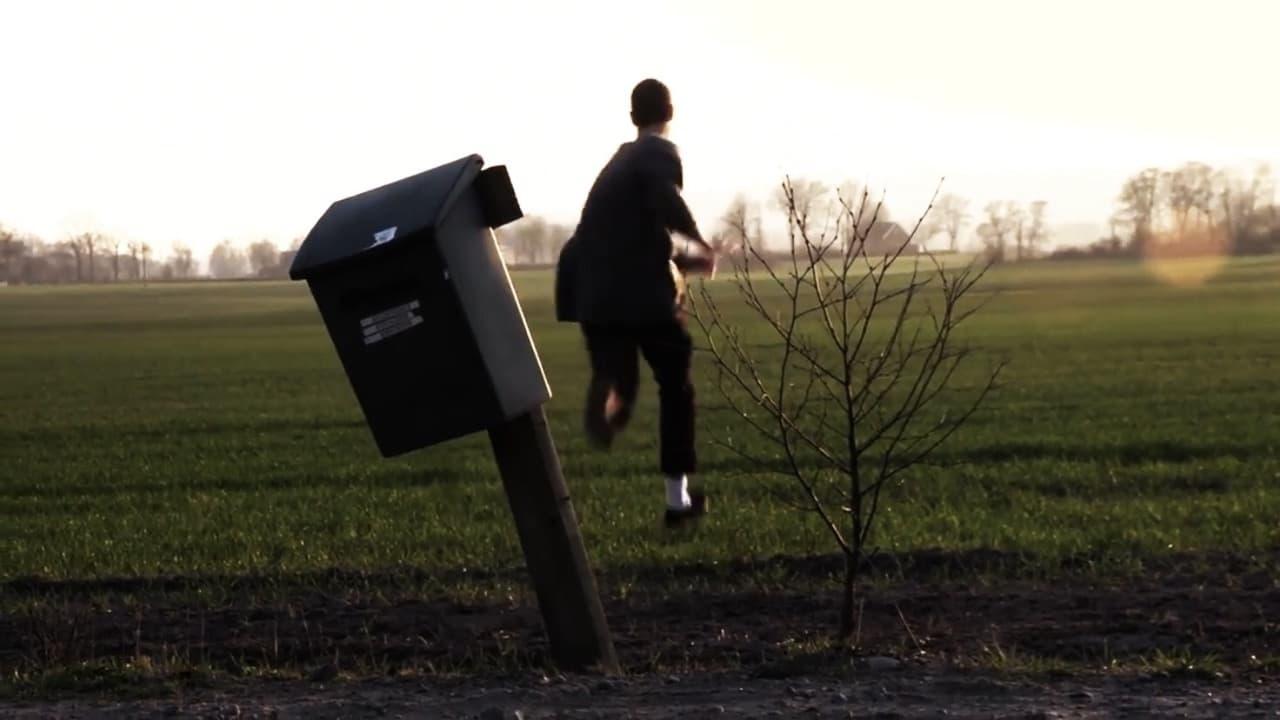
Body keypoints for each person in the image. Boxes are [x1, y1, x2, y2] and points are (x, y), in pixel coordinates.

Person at [555, 78, 716, 528]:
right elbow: (666, 203)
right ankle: (677, 502)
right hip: (636, 294)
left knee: (623, 380)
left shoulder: (619, 164)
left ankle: (611, 396)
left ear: (632, 117)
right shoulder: (657, 153)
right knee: (676, 385)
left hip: (591, 291)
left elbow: (635, 237)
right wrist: (700, 242)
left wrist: (686, 261)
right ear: (671, 112)